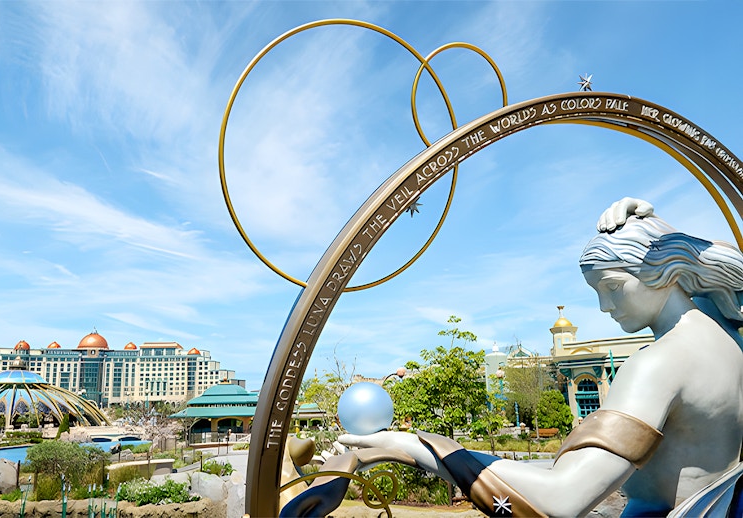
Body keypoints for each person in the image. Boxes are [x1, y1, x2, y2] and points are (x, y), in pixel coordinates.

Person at [281, 198, 743, 517]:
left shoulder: (660, 363)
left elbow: (563, 498)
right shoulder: (724, 331)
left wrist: (417, 445)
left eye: (612, 287)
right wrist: (653, 221)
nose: (605, 307)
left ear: (663, 268)